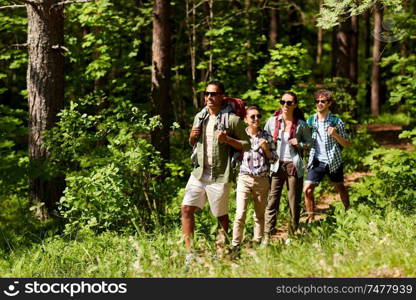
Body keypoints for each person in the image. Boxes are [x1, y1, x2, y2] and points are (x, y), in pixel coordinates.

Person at [181, 80, 250, 263]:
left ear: (222, 97)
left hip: (219, 174)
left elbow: (247, 145)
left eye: (213, 94)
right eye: (207, 94)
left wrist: (227, 139)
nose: (209, 97)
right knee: (186, 208)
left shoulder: (232, 120)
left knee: (220, 215)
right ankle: (190, 254)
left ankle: (220, 252)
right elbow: (193, 143)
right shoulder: (199, 117)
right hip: (198, 173)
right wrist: (192, 137)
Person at [264, 92, 312, 238]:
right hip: (276, 165)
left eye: (289, 102)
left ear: (295, 105)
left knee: (294, 201)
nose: (285, 105)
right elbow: (263, 137)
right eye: (283, 102)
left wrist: (301, 144)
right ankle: (268, 233)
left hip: (293, 164)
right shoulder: (272, 122)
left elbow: (310, 144)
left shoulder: (301, 125)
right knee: (272, 200)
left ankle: (292, 234)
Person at [231, 106, 277, 252]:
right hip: (244, 178)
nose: (256, 119)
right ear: (245, 119)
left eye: (258, 116)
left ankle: (257, 243)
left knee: (259, 215)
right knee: (240, 213)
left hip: (262, 180)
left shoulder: (267, 136)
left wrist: (266, 149)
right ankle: (235, 245)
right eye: (252, 117)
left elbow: (274, 159)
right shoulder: (240, 135)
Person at [303, 89, 350, 221]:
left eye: (322, 101)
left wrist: (335, 135)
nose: (319, 104)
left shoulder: (336, 121)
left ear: (329, 103)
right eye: (317, 101)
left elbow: (347, 144)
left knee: (340, 187)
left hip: (333, 160)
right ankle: (311, 219)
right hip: (316, 161)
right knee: (307, 190)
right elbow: (305, 141)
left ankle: (349, 212)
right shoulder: (310, 121)